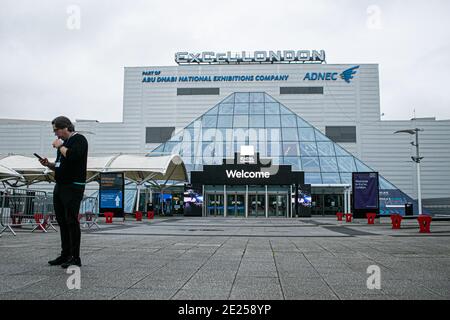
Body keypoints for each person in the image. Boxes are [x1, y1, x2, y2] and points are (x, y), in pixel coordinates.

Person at [39, 116, 88, 268]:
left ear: (65, 127)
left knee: (71, 220)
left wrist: (60, 146)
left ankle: (75, 257)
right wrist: (49, 165)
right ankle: (65, 254)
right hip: (60, 185)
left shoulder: (79, 139)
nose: (55, 134)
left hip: (73, 186)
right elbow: (61, 164)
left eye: (56, 130)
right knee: (62, 220)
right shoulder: (64, 144)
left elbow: (74, 156)